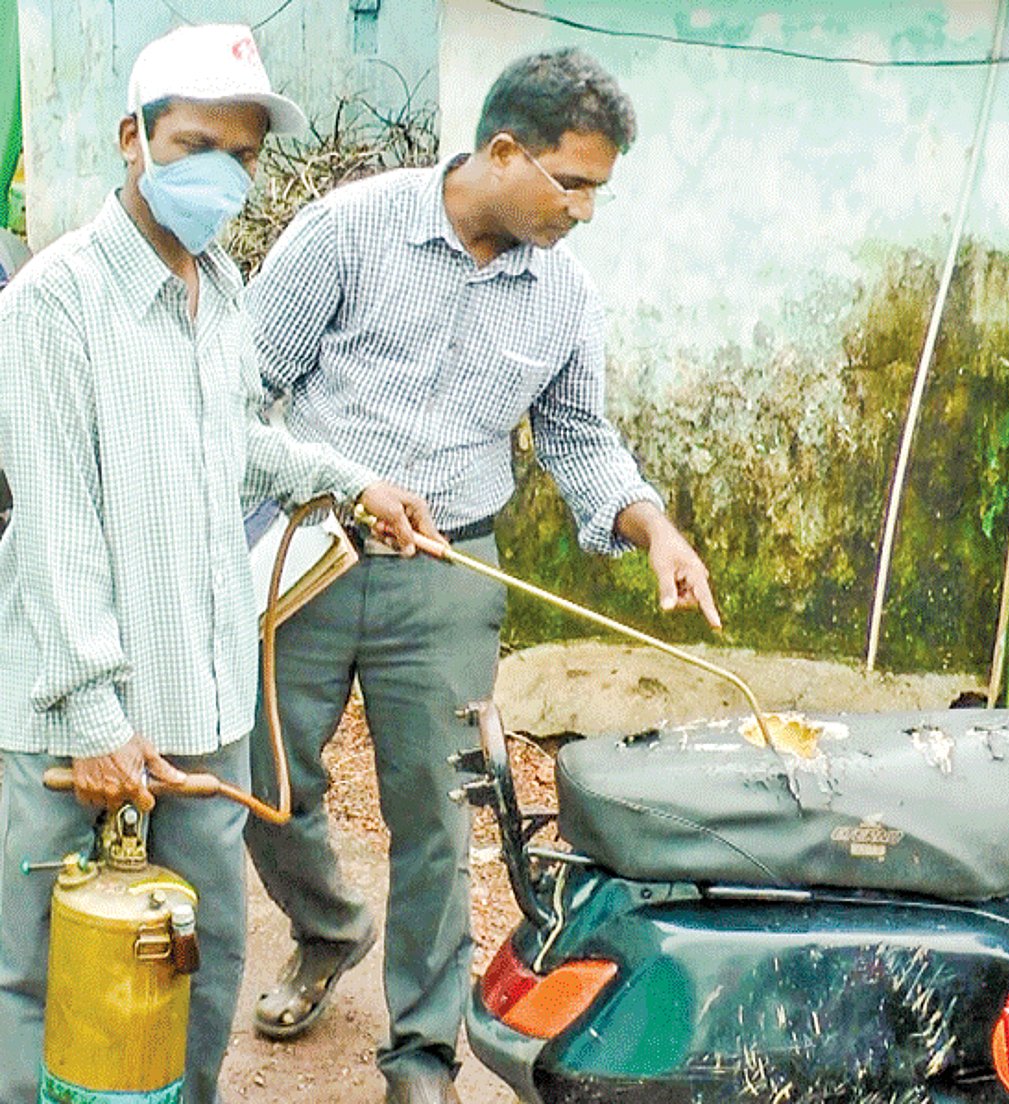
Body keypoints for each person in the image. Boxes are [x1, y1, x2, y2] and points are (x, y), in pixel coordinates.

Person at [243, 47, 720, 1104]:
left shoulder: (562, 294)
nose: (586, 210)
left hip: (448, 569)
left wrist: (654, 532)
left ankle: (421, 1054)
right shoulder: (347, 232)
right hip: (307, 548)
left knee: (436, 815)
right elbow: (246, 388)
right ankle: (327, 928)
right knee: (263, 782)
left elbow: (579, 439)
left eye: (599, 188)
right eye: (573, 182)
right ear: (504, 151)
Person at [0, 24, 434, 1104]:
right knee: (42, 972)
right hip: (76, 716)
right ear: (132, 140)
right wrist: (94, 715)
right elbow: (52, 519)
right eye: (195, 145)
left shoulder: (222, 287)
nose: (221, 177)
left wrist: (346, 480)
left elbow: (236, 436)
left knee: (200, 959)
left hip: (202, 700)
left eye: (241, 157)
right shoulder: (52, 305)